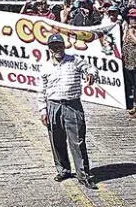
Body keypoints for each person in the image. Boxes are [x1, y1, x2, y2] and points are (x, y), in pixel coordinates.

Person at [37, 33, 98, 190]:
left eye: (59, 45)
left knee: (77, 141)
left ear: (64, 46)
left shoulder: (74, 60)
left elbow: (91, 68)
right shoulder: (45, 66)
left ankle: (83, 175)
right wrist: (43, 110)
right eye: (53, 46)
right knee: (56, 141)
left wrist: (91, 74)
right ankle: (63, 170)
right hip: (53, 106)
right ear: (49, 49)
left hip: (73, 105)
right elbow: (41, 91)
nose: (57, 48)